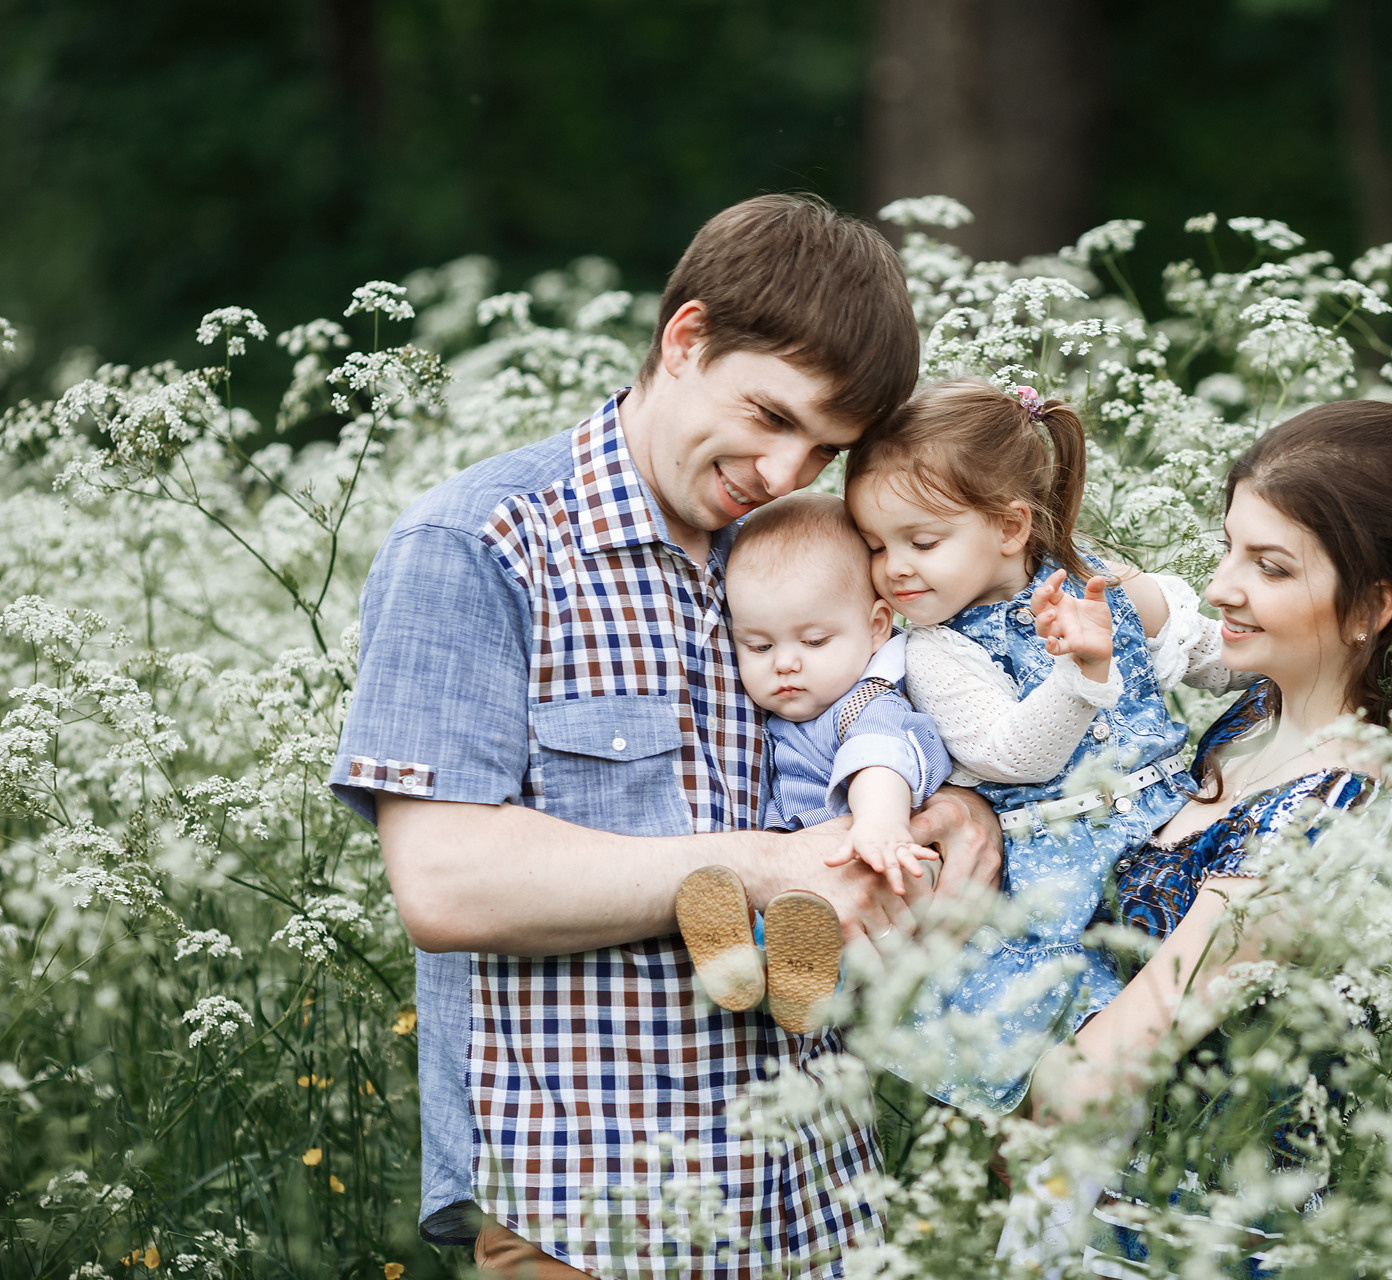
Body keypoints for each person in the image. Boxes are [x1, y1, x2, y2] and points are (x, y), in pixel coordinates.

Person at [328, 194, 1003, 1280]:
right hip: (590, 1211)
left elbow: (914, 712)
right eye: (771, 417)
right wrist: (765, 865)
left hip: (820, 1203)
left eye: (823, 449)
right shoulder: (480, 544)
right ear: (686, 338)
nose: (784, 472)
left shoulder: (814, 549)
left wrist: (957, 809)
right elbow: (445, 882)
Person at [1015, 398, 1392, 1275]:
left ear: (1372, 604)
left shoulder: (1336, 811)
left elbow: (1119, 1052)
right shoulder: (1259, 714)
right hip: (1093, 1200)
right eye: (1230, 547)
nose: (1220, 586)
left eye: (1270, 567)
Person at [842, 379, 1245, 1114]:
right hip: (1062, 885)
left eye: (921, 542)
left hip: (1175, 838)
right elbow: (1014, 756)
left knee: (1207, 1035)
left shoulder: (1100, 586)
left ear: (1009, 526)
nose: (894, 566)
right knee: (1093, 1071)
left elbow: (1213, 656)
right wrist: (1079, 676)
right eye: (875, 546)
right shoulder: (936, 649)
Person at [674, 493, 951, 1036]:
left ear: (877, 626)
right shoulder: (777, 714)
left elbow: (881, 757)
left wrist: (879, 821)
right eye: (758, 647)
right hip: (797, 878)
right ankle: (746, 964)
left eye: (814, 640)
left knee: (848, 923)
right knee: (791, 921)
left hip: (865, 859)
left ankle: (804, 986)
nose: (785, 663)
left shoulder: (866, 701)